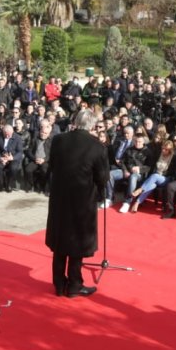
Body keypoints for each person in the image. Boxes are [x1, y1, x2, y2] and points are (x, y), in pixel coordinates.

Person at [45, 109, 108, 298]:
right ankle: (74, 285)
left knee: (60, 239)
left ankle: (58, 284)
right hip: (82, 201)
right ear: (92, 125)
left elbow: (52, 166)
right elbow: (103, 178)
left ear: (76, 121)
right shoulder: (97, 146)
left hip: (59, 198)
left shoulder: (58, 140)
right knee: (77, 241)